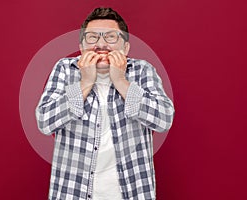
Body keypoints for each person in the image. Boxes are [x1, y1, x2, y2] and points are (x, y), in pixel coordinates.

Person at [36, 7, 174, 200]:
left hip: (132, 193)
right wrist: (85, 82)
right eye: (92, 37)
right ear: (82, 46)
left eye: (110, 37)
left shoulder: (142, 71)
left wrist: (121, 82)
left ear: (125, 47)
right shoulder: (65, 69)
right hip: (72, 193)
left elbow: (164, 119)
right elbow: (44, 121)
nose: (101, 44)